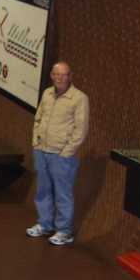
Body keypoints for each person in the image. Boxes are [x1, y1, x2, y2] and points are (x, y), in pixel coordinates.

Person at [28, 61, 89, 245]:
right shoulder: (47, 93)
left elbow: (81, 129)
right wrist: (36, 142)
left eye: (64, 75)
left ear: (71, 76)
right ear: (51, 76)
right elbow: (38, 118)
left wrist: (66, 152)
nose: (60, 78)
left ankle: (64, 231)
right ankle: (45, 224)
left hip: (62, 156)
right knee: (43, 190)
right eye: (57, 74)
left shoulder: (79, 98)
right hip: (42, 151)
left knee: (63, 193)